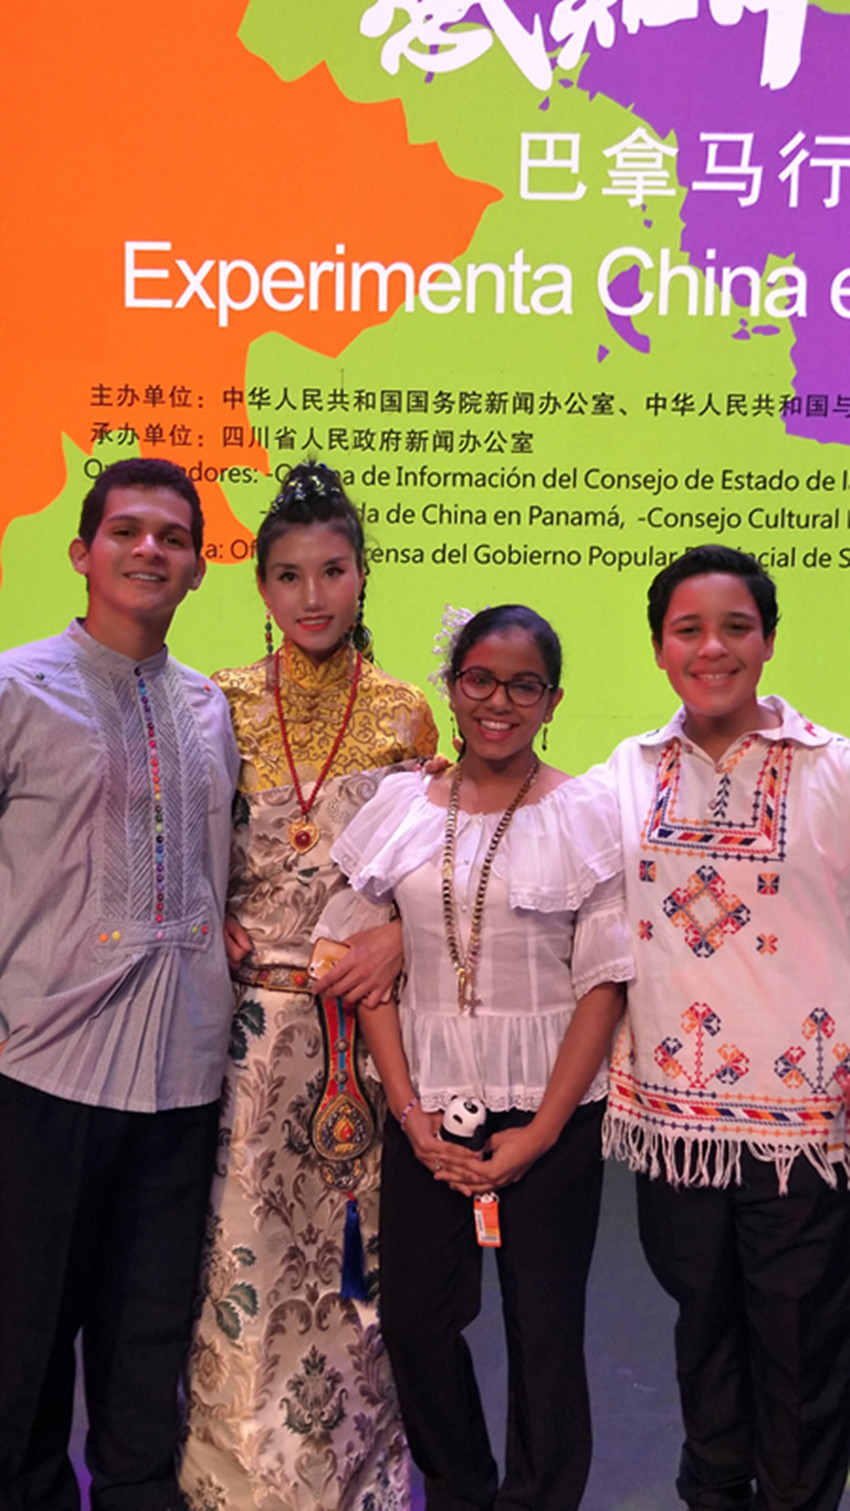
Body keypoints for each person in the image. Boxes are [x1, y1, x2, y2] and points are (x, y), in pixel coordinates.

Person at [330, 604, 632, 1511]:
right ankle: (461, 1489)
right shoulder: (401, 806)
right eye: (480, 680)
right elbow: (367, 974)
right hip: (427, 1109)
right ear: (452, 687)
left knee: (545, 1332)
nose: (499, 701)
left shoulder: (586, 813)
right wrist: (411, 1114)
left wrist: (540, 1131)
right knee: (418, 1323)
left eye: (523, 685)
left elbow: (603, 987)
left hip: (551, 1111)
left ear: (553, 701)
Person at [179, 463, 439, 1511]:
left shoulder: (407, 713)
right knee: (236, 1260)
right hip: (240, 1036)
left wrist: (403, 938)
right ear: (260, 585)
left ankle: (354, 1482)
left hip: (358, 1039)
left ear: (362, 574)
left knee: (356, 1266)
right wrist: (204, 908)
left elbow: (433, 874)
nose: (313, 595)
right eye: (288, 575)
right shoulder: (217, 700)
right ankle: (233, 1483)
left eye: (332, 570)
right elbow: (179, 839)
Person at [0, 457, 240, 1511]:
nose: (151, 548)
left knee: (148, 1348)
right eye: (128, 529)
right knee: (22, 1344)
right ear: (81, 553)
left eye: (174, 536)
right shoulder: (16, 688)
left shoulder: (210, 708)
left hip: (181, 1076)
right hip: (40, 1070)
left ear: (197, 568)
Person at [602, 544, 850, 1511]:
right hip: (674, 1126)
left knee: (801, 1352)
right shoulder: (626, 773)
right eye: (689, 630)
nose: (713, 649)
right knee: (701, 1336)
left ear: (771, 639)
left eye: (736, 627)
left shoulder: (833, 769)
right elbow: (535, 851)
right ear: (659, 648)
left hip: (805, 1131)